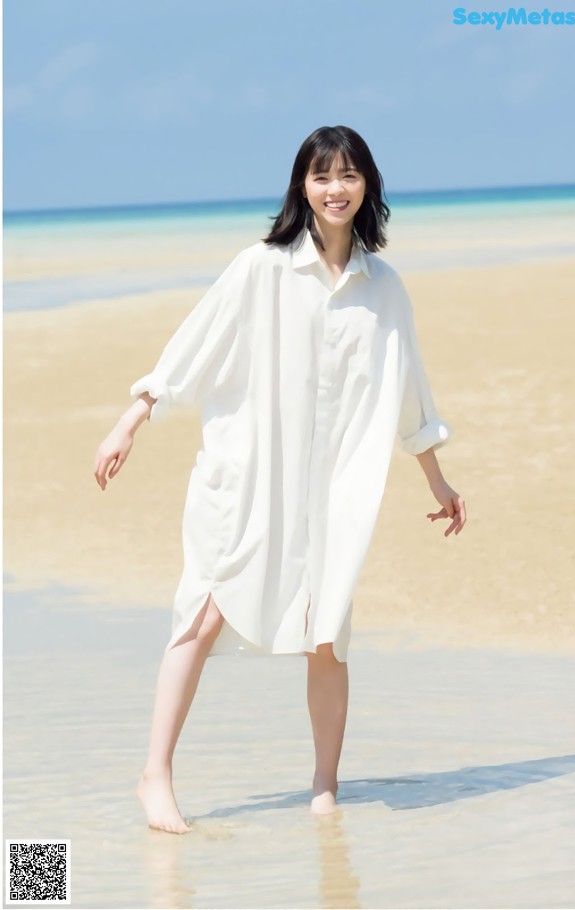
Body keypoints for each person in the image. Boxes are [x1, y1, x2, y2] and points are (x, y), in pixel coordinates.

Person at [94, 125, 467, 835]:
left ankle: (325, 789)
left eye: (350, 175)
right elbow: (192, 347)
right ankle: (156, 775)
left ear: (367, 186)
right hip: (251, 478)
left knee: (327, 634)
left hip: (334, 494)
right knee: (203, 614)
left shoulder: (383, 289)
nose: (337, 188)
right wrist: (131, 419)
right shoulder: (259, 269)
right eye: (323, 176)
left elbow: (408, 387)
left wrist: (437, 479)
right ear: (303, 186)